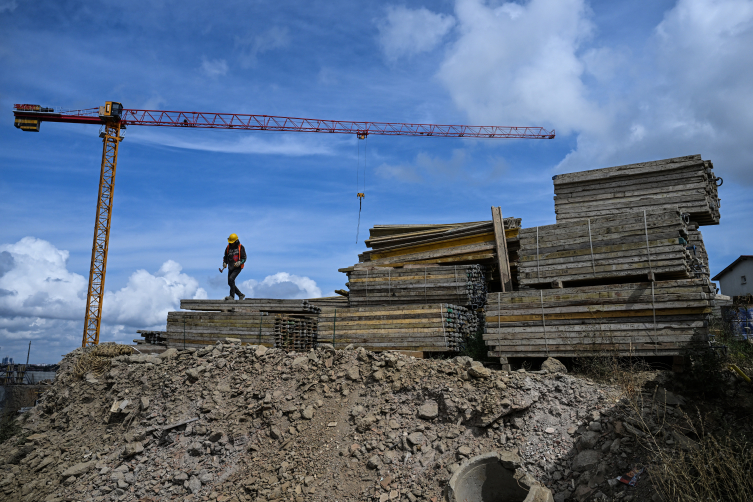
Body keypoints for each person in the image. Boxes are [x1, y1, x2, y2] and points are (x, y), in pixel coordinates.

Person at [223, 233, 247, 300]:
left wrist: (239, 262)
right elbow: (225, 257)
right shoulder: (228, 247)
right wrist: (224, 263)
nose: (231, 243)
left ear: (236, 241)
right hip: (230, 267)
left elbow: (244, 258)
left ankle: (231, 296)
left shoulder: (241, 247)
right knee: (229, 282)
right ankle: (240, 295)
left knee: (231, 279)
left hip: (238, 267)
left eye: (232, 242)